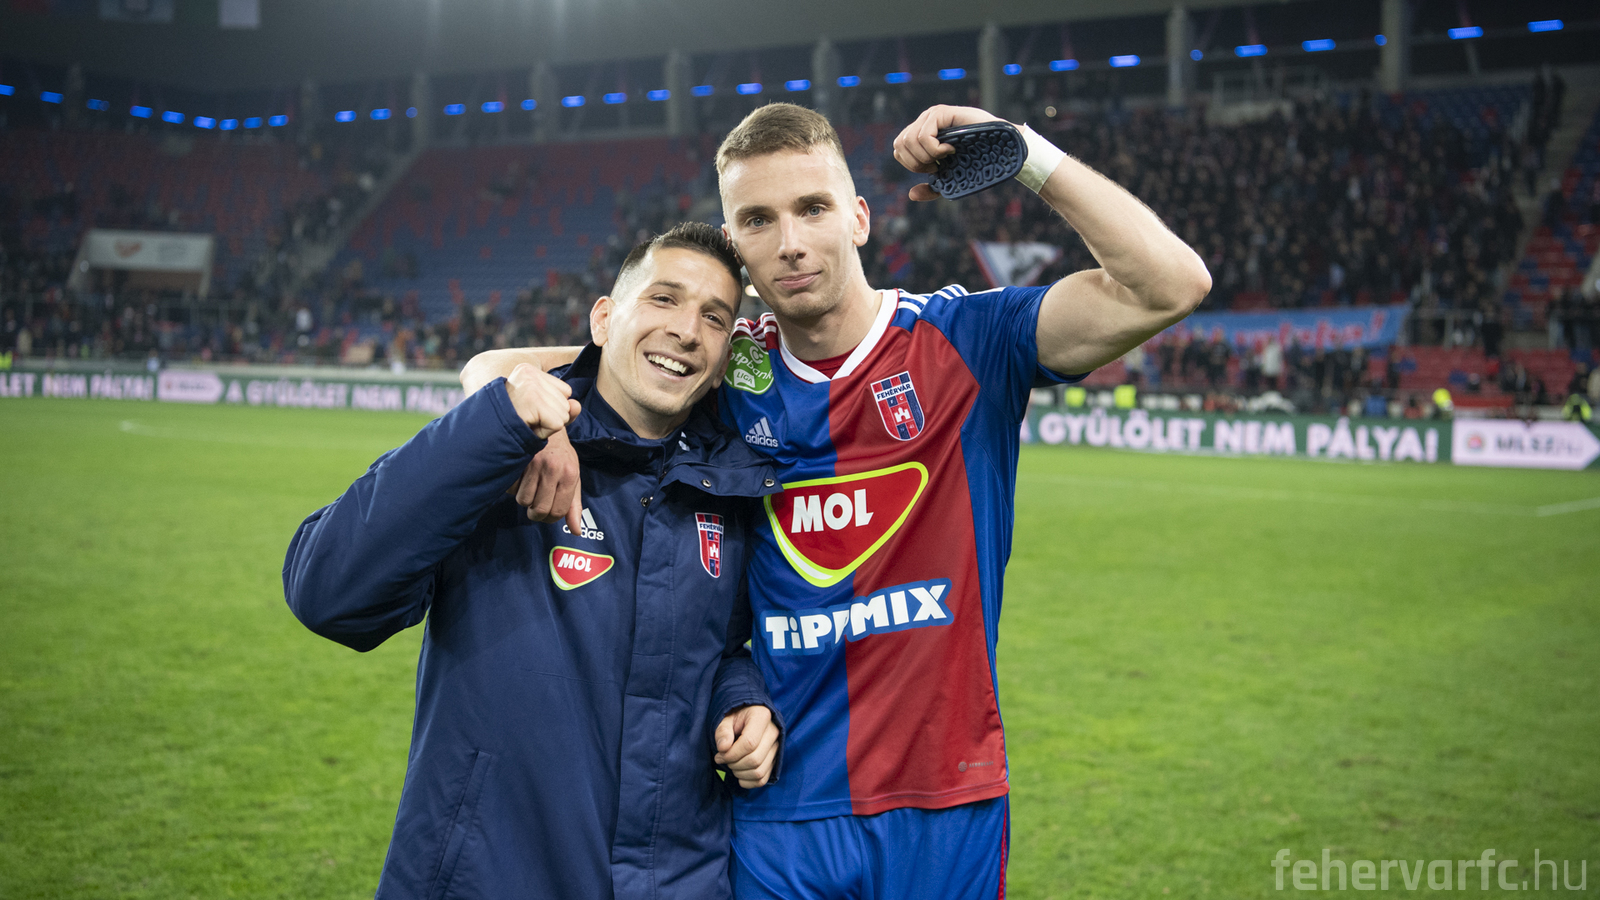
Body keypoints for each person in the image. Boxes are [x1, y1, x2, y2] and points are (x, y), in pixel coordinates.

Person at [462, 102, 1209, 898]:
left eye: (812, 208)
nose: (789, 241)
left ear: (857, 218)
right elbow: (490, 369)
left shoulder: (965, 342)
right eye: (758, 220)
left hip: (945, 804)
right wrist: (541, 424)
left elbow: (1171, 285)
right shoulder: (724, 372)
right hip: (779, 809)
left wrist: (1023, 152)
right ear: (737, 247)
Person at [285, 223, 783, 899]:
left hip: (679, 880)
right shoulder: (501, 453)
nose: (687, 330)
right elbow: (328, 593)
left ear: (724, 358)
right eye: (663, 298)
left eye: (715, 317)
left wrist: (740, 701)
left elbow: (721, 649)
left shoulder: (732, 489)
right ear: (603, 319)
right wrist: (500, 425)